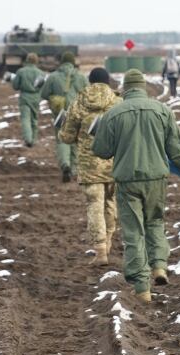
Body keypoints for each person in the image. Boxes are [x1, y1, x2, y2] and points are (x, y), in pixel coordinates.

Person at [92, 69, 180, 302]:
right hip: (156, 179)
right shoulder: (163, 111)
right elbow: (176, 150)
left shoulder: (113, 114)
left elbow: (101, 150)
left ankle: (141, 286)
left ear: (125, 89)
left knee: (133, 231)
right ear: (144, 87)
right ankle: (159, 266)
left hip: (128, 181)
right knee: (156, 222)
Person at [59, 67, 121, 265]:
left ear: (90, 81)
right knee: (111, 204)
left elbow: (67, 137)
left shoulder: (79, 102)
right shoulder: (118, 103)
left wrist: (64, 132)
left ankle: (100, 250)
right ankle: (109, 242)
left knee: (94, 206)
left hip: (88, 165)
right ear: (108, 81)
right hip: (114, 164)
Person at [41, 51, 88, 182]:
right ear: (73, 62)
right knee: (75, 141)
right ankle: (74, 169)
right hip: (76, 113)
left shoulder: (53, 77)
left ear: (61, 62)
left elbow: (44, 93)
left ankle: (65, 165)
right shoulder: (81, 77)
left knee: (62, 140)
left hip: (59, 113)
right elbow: (88, 95)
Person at [11, 53, 44, 147]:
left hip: (24, 97)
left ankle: (28, 139)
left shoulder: (21, 72)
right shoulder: (41, 73)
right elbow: (42, 87)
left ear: (27, 60)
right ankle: (33, 139)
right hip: (35, 98)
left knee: (25, 119)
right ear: (36, 61)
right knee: (34, 119)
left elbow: (15, 86)